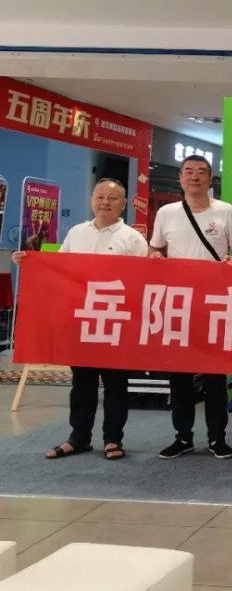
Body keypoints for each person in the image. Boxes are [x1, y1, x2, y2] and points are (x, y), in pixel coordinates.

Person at [13, 179, 147, 461]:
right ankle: (79, 437)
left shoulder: (133, 239)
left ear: (123, 204)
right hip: (82, 322)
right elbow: (58, 270)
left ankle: (113, 439)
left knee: (115, 385)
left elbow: (142, 282)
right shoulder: (76, 233)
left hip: (116, 322)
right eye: (100, 196)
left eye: (113, 198)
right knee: (82, 383)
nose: (105, 202)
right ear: (91, 200)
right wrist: (30, 261)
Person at [149, 155, 232, 460]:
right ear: (180, 178)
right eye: (189, 172)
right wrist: (155, 256)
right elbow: (155, 247)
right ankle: (182, 437)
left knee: (215, 375)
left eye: (201, 172)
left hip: (215, 302)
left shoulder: (227, 211)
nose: (195, 177)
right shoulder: (166, 213)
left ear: (210, 179)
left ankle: (218, 437)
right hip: (178, 303)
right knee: (179, 375)